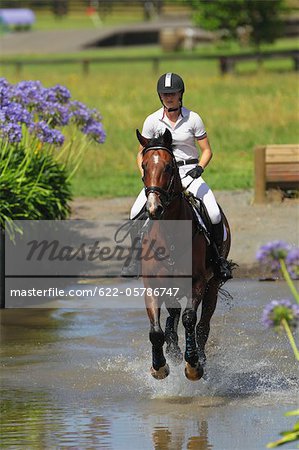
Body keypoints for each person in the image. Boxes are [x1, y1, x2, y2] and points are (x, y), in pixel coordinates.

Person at [121, 72, 232, 281]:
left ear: (181, 94)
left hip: (189, 173)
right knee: (134, 212)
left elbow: (207, 150)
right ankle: (136, 259)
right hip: (161, 178)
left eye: (172, 93)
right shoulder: (152, 121)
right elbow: (141, 153)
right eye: (165, 94)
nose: (169, 97)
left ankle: (218, 260)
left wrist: (200, 167)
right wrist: (145, 174)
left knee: (214, 212)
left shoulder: (193, 118)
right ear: (159, 96)